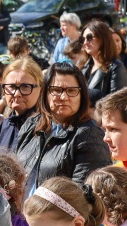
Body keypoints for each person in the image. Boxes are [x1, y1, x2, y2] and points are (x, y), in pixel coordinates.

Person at [14, 62, 111, 193]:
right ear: (45, 93)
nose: (64, 97)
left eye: (71, 91)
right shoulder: (31, 125)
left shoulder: (89, 135)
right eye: (57, 90)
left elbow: (83, 195)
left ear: (81, 95)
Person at [0, 57, 43, 151]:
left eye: (25, 87)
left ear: (41, 89)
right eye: (11, 86)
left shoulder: (46, 128)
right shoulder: (4, 127)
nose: (17, 94)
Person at [81, 19, 127, 102]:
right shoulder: (83, 66)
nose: (85, 42)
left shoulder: (115, 67)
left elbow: (118, 102)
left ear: (102, 38)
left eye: (89, 38)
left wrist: (94, 111)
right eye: (83, 39)